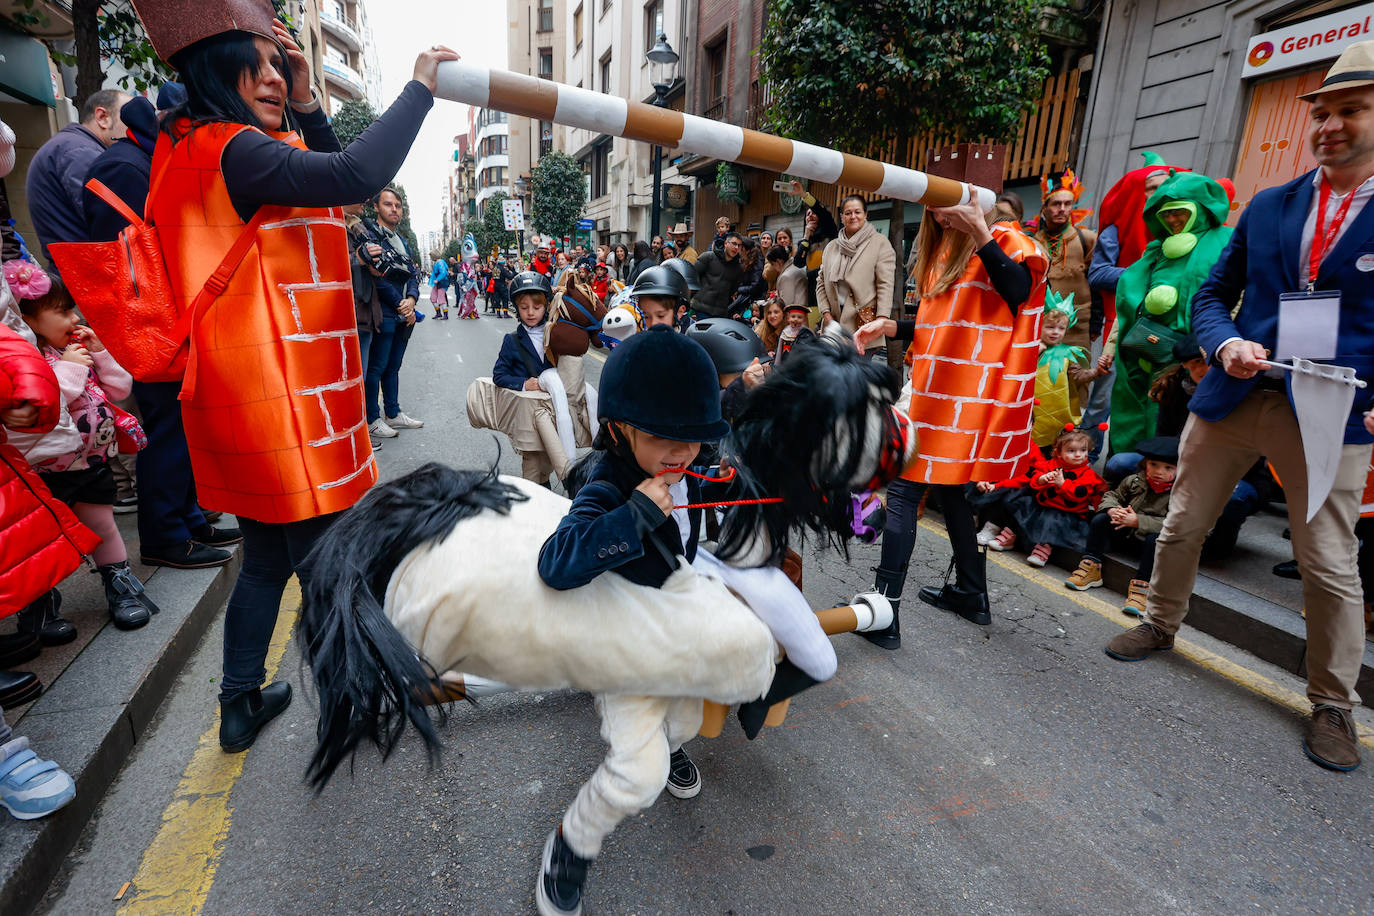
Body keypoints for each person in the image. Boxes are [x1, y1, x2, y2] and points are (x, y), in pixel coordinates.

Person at [135, 0, 457, 752]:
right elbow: (357, 173)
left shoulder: (189, 148)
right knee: (329, 561)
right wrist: (419, 88)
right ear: (216, 64)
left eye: (281, 61)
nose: (275, 76)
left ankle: (241, 701)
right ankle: (363, 694)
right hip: (276, 399)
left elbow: (337, 191)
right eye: (262, 60)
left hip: (239, 395)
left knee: (269, 559)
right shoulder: (234, 150)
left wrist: (310, 99)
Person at [1103, 42, 1374, 773]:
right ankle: (1160, 625)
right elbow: (1211, 296)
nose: (1330, 125)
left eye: (1352, 110)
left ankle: (1332, 702)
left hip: (1332, 408)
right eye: (1322, 112)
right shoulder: (1275, 204)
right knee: (1182, 524)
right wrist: (1222, 347)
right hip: (1233, 393)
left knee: (1326, 563)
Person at [534, 326, 829, 916]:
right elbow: (556, 563)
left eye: (693, 442)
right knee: (637, 775)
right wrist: (637, 512)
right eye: (666, 441)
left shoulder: (693, 459)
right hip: (629, 641)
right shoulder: (607, 483)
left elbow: (728, 486)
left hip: (680, 613)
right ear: (619, 428)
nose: (683, 455)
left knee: (690, 722)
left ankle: (671, 743)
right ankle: (570, 845)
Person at [854, 183, 1048, 646]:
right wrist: (893, 325)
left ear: (978, 202)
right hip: (943, 388)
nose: (943, 218)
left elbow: (1019, 291)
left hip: (959, 394)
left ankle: (886, 615)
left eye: (952, 208)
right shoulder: (943, 249)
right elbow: (943, 318)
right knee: (952, 491)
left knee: (902, 492)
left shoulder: (1002, 238)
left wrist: (980, 231)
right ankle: (971, 594)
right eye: (935, 211)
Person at [81, 92, 239, 569]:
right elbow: (130, 258)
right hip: (152, 319)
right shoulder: (127, 167)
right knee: (166, 428)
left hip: (170, 313)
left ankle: (188, 519)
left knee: (181, 425)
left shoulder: (145, 158)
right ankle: (165, 534)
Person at [12, 263, 158, 630]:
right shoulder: (29, 361)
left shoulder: (74, 351)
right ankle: (41, 605)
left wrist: (100, 353)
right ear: (27, 319)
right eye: (62, 311)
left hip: (90, 463)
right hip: (43, 469)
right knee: (41, 540)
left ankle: (120, 586)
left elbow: (121, 389)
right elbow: (52, 401)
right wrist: (72, 367)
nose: (73, 318)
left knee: (103, 526)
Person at [1106, 169, 1232, 457]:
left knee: (1178, 418)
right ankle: (1132, 478)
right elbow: (1128, 301)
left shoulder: (1225, 241)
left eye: (1180, 212)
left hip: (1196, 353)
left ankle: (1167, 484)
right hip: (1145, 348)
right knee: (1139, 407)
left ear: (1198, 209)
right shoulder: (1156, 249)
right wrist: (1112, 346)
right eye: (1166, 215)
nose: (1173, 220)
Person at [1084, 152, 1176, 456]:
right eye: (1152, 187)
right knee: (1104, 401)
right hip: (1121, 323)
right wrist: (1145, 275)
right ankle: (1082, 463)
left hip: (1164, 330)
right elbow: (1097, 274)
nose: (1159, 193)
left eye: (1165, 185)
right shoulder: (1116, 229)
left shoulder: (1177, 226)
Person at [1066, 436, 1178, 617]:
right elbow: (1112, 495)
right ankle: (1091, 565)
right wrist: (1112, 510)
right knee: (1100, 519)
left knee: (1155, 539)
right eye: (1154, 465)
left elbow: (1177, 525)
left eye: (1168, 468)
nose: (1159, 471)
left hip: (1150, 546)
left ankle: (1142, 588)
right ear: (1145, 464)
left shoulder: (1181, 494)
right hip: (1125, 533)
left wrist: (1138, 521)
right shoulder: (1135, 480)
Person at [972, 426, 1107, 568]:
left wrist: (1063, 485)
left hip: (1066, 513)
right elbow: (1034, 479)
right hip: (1044, 504)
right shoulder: (1051, 464)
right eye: (1071, 451)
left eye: (1083, 450)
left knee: (1050, 522)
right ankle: (1009, 537)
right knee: (1021, 505)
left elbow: (1080, 494)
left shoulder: (1087, 474)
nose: (1078, 455)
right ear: (1058, 453)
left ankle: (1042, 550)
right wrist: (1042, 479)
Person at [26, 88, 132, 267]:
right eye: (128, 117)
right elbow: (107, 220)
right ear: (102, 117)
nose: (134, 125)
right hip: (86, 275)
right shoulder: (80, 151)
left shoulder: (72, 146)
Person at [492, 271, 561, 484]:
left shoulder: (557, 335)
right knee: (531, 467)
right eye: (524, 308)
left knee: (550, 464)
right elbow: (499, 375)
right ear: (516, 308)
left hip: (553, 413)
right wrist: (523, 384)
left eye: (537, 307)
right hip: (528, 417)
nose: (531, 313)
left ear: (547, 306)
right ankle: (536, 503)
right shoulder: (511, 341)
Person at [1030, 170, 1096, 360]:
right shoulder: (1033, 242)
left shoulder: (1087, 240)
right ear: (1044, 208)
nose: (1062, 209)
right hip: (1043, 328)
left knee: (1077, 382)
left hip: (1078, 328)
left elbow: (1098, 285)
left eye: (1068, 204)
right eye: (1056, 204)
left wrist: (1095, 324)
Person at [816, 195, 895, 340]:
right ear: (841, 217)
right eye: (848, 213)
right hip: (833, 325)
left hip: (864, 325)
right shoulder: (831, 247)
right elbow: (821, 282)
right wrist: (826, 315)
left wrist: (881, 321)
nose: (853, 217)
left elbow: (885, 284)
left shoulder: (880, 243)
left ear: (865, 214)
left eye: (857, 212)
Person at [1031, 290, 1096, 451]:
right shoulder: (1030, 349)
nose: (1055, 332)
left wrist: (1097, 372)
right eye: (1050, 327)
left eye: (1061, 328)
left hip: (1057, 414)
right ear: (1040, 325)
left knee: (1050, 450)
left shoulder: (1069, 353)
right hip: (1031, 413)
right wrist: (1034, 353)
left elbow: (1079, 376)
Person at [344, 204, 385, 450]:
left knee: (360, 378)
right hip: (347, 315)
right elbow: (327, 265)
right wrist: (358, 259)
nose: (364, 198)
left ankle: (359, 436)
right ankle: (352, 438)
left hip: (366, 313)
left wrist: (374, 263)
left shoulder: (358, 227)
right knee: (350, 381)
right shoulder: (330, 225)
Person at [691, 231, 745, 319]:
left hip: (721, 312)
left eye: (739, 245)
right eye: (734, 244)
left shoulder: (738, 268)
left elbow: (733, 290)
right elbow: (693, 276)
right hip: (701, 309)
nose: (736, 247)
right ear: (726, 243)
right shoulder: (708, 257)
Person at [631, 264, 689, 329]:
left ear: (680, 311)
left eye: (661, 316)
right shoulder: (641, 338)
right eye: (646, 316)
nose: (653, 324)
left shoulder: (692, 336)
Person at [429, 251, 450, 319]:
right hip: (438, 283)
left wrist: (437, 279)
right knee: (433, 298)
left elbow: (443, 272)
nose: (431, 258)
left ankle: (445, 315)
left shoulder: (440, 262)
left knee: (441, 299)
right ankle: (439, 314)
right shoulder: (439, 262)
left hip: (441, 283)